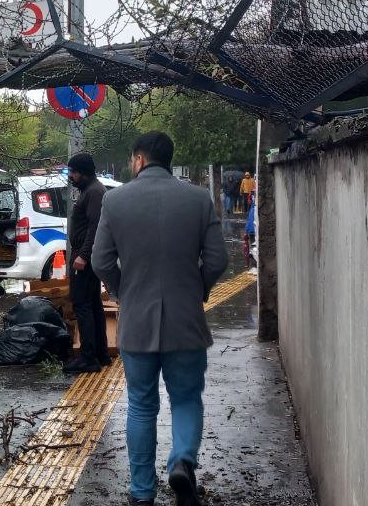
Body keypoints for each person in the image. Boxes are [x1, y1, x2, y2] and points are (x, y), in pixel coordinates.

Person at [92, 131, 229, 506]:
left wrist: (125, 293)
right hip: (186, 322)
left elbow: (100, 260)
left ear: (138, 160)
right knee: (186, 399)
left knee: (141, 404)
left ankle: (141, 493)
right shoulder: (199, 199)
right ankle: (183, 462)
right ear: (168, 159)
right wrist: (196, 289)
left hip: (137, 322)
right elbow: (218, 260)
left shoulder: (115, 201)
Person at [63, 152, 109, 374]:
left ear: (82, 173)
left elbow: (95, 227)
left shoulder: (94, 193)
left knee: (83, 305)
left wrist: (83, 255)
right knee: (93, 305)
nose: (70, 176)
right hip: (87, 256)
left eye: (73, 172)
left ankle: (89, 357)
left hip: (85, 259)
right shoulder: (91, 190)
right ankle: (101, 353)